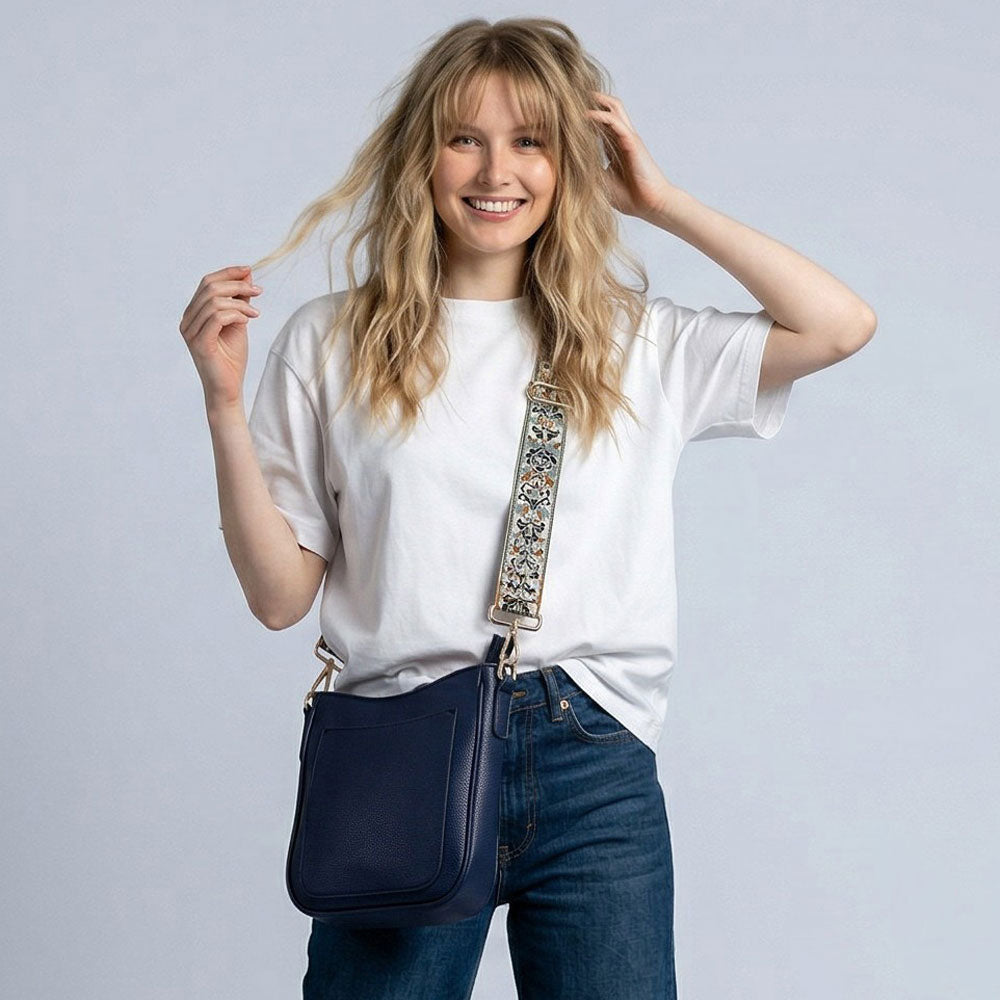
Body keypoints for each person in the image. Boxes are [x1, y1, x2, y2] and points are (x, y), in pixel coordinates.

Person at [179, 16, 876, 1000]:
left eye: (531, 140)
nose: (495, 169)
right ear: (420, 153)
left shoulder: (628, 341)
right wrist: (220, 403)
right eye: (464, 136)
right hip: (399, 751)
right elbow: (279, 594)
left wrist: (662, 202)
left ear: (569, 162)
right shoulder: (331, 341)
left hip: (589, 753)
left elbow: (840, 325)